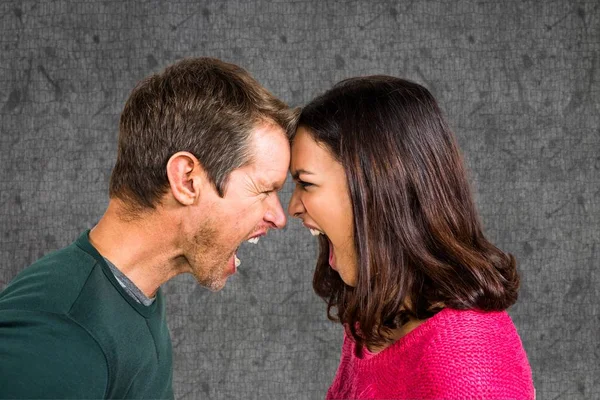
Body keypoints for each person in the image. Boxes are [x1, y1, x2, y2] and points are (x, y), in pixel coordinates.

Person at [0, 57, 296, 399]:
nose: (279, 216)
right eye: (264, 190)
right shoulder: (61, 336)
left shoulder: (130, 297)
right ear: (186, 180)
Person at [288, 76, 535, 399]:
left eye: (305, 183)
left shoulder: (468, 372)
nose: (292, 207)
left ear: (377, 188)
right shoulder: (374, 321)